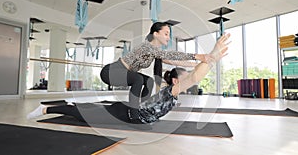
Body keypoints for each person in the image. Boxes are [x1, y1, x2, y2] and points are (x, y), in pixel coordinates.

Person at [27, 33, 230, 124]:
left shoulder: (168, 90)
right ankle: (44, 109)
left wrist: (209, 59)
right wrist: (209, 57)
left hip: (130, 112)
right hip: (123, 108)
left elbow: (193, 73)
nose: (188, 80)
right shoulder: (170, 89)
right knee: (82, 114)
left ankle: (67, 105)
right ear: (176, 82)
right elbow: (194, 75)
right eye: (165, 33)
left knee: (144, 82)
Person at [100, 22, 209, 118]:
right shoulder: (146, 47)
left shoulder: (155, 51)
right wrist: (196, 56)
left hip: (122, 73)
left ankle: (142, 108)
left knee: (148, 81)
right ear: (156, 34)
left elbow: (173, 61)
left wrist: (195, 65)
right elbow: (171, 54)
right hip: (110, 72)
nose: (168, 37)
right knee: (138, 78)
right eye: (166, 34)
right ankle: (134, 114)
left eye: (169, 34)